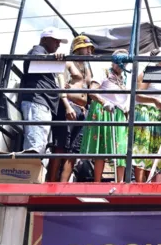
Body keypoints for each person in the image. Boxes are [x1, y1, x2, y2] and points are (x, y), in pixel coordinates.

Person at [48, 35, 94, 182]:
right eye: (87, 48)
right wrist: (67, 105)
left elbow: (89, 87)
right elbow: (61, 85)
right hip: (68, 107)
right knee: (60, 146)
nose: (89, 51)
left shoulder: (87, 66)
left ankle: (63, 185)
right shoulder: (68, 61)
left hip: (82, 110)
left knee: (74, 150)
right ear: (78, 47)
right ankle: (52, 183)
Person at [80, 50, 130, 183]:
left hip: (119, 114)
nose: (120, 65)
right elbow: (92, 91)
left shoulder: (124, 78)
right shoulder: (104, 72)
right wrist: (104, 102)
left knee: (121, 148)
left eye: (124, 63)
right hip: (105, 111)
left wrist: (126, 111)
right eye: (119, 62)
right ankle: (97, 182)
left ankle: (120, 182)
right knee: (101, 148)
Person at [20, 27, 67, 154]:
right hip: (37, 101)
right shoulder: (38, 49)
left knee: (40, 146)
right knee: (35, 146)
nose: (58, 44)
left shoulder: (44, 54)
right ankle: (29, 172)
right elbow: (36, 57)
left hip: (42, 103)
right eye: (55, 41)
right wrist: (51, 57)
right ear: (45, 40)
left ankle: (33, 171)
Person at [132, 61, 161, 182]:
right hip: (146, 114)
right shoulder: (147, 72)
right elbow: (137, 95)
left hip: (159, 117)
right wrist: (154, 100)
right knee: (143, 149)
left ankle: (152, 185)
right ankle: (139, 184)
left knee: (155, 151)